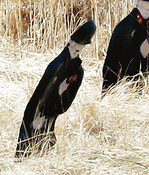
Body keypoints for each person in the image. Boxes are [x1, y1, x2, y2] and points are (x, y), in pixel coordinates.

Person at [16, 20, 96, 158]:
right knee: (29, 141)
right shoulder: (56, 66)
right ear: (69, 43)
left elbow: (67, 100)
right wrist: (38, 114)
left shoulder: (77, 70)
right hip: (38, 112)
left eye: (79, 48)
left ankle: (42, 162)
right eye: (74, 46)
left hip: (52, 112)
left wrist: (60, 95)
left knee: (46, 141)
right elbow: (42, 93)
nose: (76, 51)